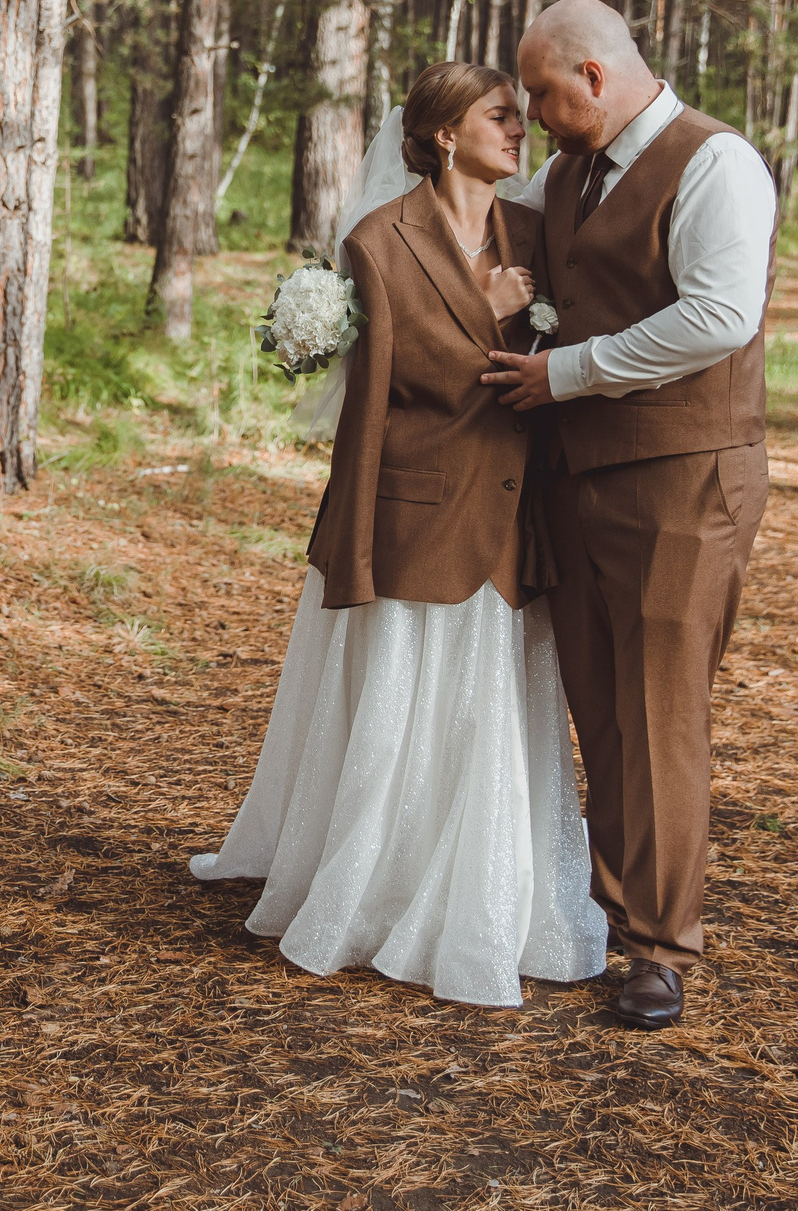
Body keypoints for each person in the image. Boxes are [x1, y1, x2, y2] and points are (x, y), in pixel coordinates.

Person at [190, 60, 607, 1008]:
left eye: (521, 114)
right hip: (417, 512)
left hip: (513, 515)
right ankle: (379, 893)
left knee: (493, 714)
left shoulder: (534, 231)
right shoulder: (378, 239)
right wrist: (490, 310)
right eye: (500, 115)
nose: (521, 128)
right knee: (404, 710)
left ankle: (493, 899)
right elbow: (388, 384)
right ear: (446, 134)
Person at [481, 0, 779, 1030]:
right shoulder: (569, 173)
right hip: (577, 478)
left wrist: (565, 374)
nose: (533, 114)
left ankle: (659, 947)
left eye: (541, 92)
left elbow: (718, 316)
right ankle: (612, 910)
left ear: (594, 76)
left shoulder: (716, 163)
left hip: (682, 479)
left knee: (660, 711)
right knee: (600, 707)